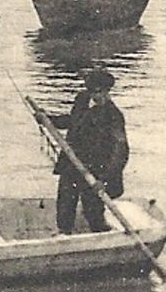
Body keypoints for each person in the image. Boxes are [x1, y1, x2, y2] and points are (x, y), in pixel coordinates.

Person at [50, 68, 129, 234]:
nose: (98, 97)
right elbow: (73, 121)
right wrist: (49, 119)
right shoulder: (82, 100)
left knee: (93, 212)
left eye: (101, 92)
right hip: (72, 164)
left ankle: (101, 237)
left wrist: (105, 179)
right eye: (94, 92)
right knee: (65, 204)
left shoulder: (113, 116)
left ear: (108, 91)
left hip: (95, 171)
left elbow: (121, 151)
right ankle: (63, 234)